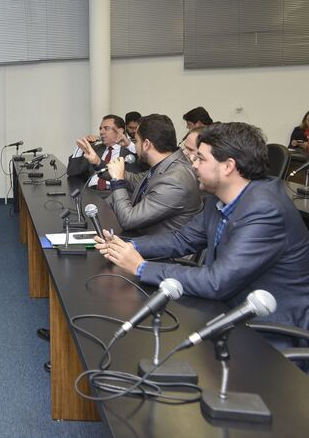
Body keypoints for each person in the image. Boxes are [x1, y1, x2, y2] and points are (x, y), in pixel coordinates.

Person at [95, 122, 309, 332]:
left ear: (228, 166)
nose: (194, 165)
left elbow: (217, 282)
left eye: (201, 159)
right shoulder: (219, 197)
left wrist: (141, 267)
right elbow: (181, 239)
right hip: (225, 312)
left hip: (267, 332)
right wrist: (125, 245)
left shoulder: (265, 209)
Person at [105, 114, 202, 235]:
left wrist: (118, 181)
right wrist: (105, 167)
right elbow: (135, 180)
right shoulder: (165, 164)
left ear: (146, 144)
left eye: (136, 141)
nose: (135, 145)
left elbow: (128, 220)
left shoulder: (175, 179)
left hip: (159, 245)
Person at [67, 114, 138, 190]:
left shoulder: (130, 151)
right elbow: (72, 171)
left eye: (106, 128)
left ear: (120, 131)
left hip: (115, 192)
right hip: (91, 192)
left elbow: (142, 168)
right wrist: (81, 147)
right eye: (100, 129)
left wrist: (129, 145)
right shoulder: (95, 149)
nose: (101, 132)